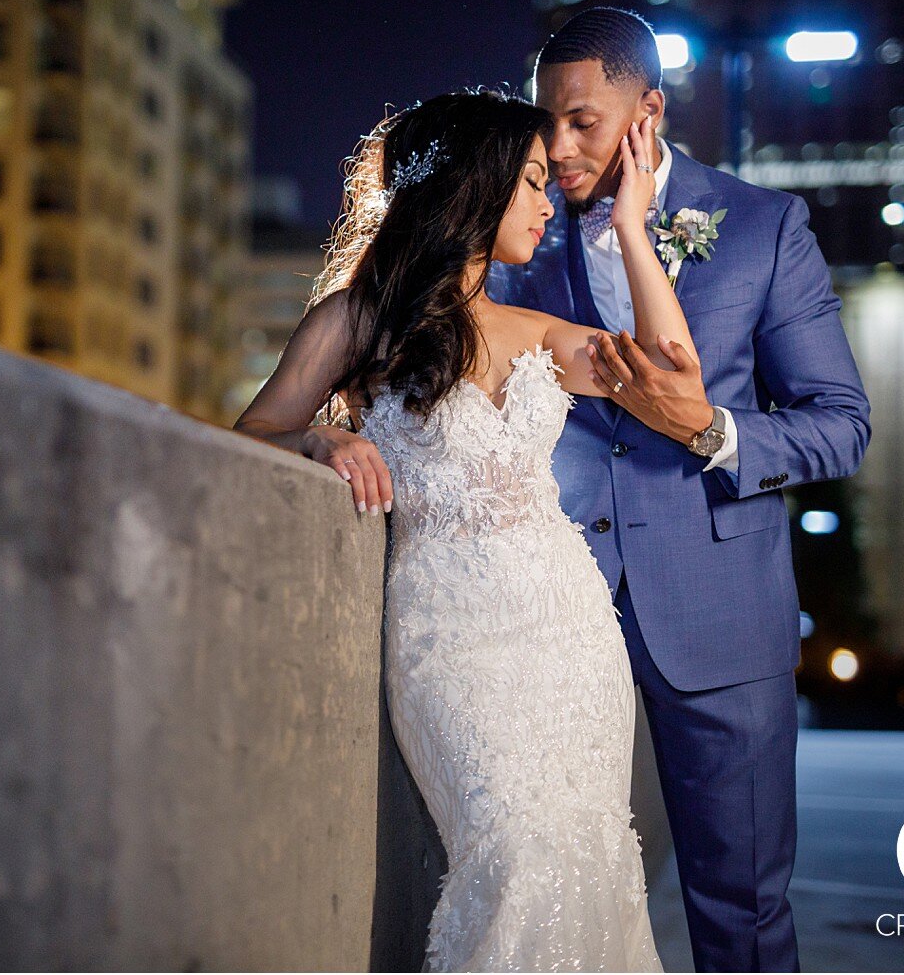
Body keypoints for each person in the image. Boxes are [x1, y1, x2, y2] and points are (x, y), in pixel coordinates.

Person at [234, 86, 679, 970]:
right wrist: (322, 435)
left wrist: (633, 226)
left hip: (571, 636)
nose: (548, 202)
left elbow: (672, 374)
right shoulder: (357, 320)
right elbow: (254, 432)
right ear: (474, 190)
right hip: (454, 642)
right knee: (514, 856)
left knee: (591, 863)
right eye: (531, 181)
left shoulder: (539, 334)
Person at [488, 7, 872, 972]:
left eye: (583, 121)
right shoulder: (518, 227)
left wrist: (714, 431)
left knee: (739, 907)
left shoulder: (763, 228)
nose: (559, 147)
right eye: (546, 123)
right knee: (547, 893)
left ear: (648, 110)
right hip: (555, 609)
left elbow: (842, 423)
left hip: (719, 612)